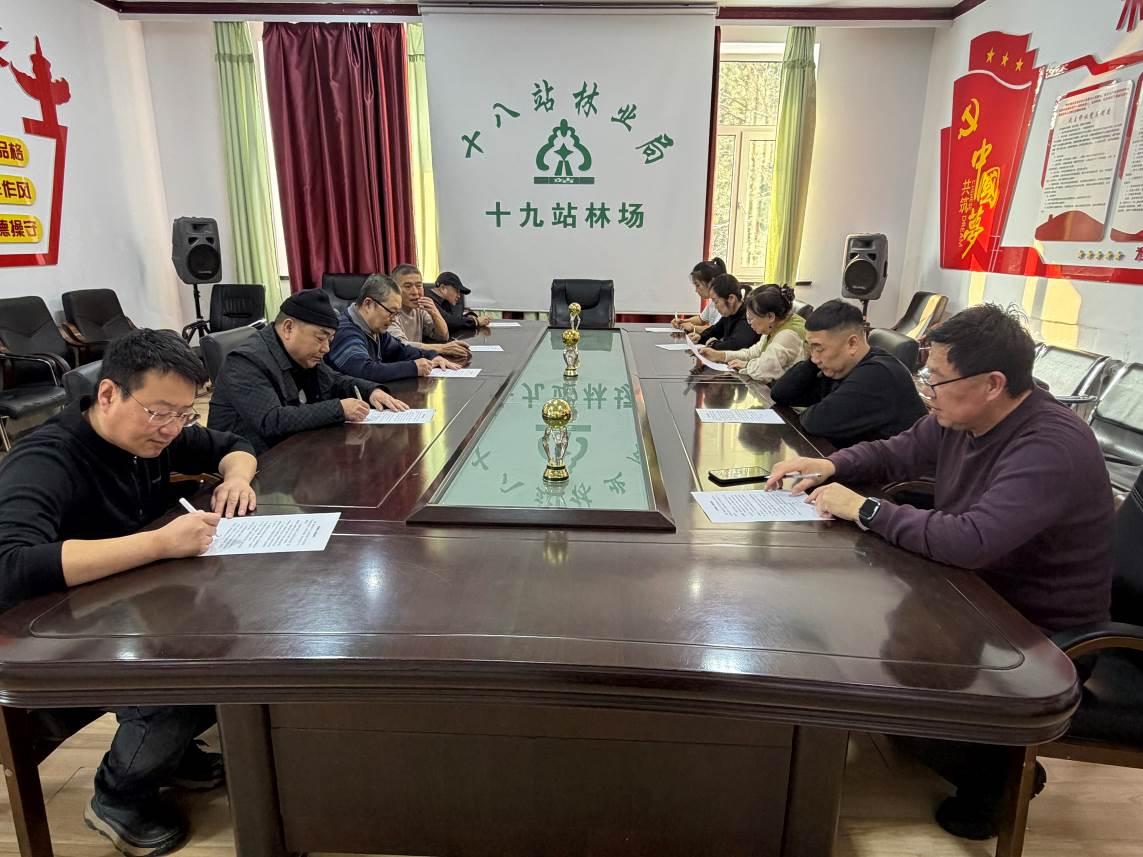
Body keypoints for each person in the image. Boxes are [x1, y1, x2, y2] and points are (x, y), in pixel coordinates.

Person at [765, 304, 1115, 839]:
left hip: (1036, 632)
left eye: (937, 379)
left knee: (871, 666)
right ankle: (967, 748)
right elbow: (898, 452)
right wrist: (830, 466)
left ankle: (1000, 777)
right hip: (973, 593)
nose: (928, 391)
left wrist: (865, 508)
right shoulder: (962, 417)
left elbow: (972, 540)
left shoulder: (1050, 445)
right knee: (855, 637)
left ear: (993, 383)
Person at [0, 329, 258, 856]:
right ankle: (118, 795)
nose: (171, 429)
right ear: (108, 393)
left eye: (183, 415)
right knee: (184, 666)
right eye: (159, 412)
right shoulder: (46, 458)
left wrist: (236, 480)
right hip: (39, 630)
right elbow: (10, 565)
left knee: (234, 632)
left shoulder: (152, 437)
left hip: (114, 600)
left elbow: (235, 446)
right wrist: (157, 544)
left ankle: (168, 754)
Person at [208, 289, 409, 455]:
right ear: (288, 328)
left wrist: (371, 391)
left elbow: (334, 380)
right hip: (252, 465)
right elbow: (272, 420)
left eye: (329, 340)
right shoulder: (246, 362)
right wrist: (339, 409)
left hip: (292, 451)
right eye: (320, 338)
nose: (326, 348)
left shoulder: (301, 355)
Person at [770, 299, 927, 446]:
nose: (815, 357)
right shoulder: (840, 368)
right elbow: (781, 394)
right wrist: (812, 362)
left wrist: (814, 409)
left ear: (852, 343)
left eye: (819, 348)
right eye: (811, 347)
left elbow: (815, 422)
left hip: (897, 467)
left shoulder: (878, 375)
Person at [327, 274, 461, 383]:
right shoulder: (345, 331)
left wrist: (432, 356)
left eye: (397, 313)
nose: (394, 319)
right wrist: (413, 368)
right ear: (368, 304)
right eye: (391, 312)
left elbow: (400, 350)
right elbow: (365, 371)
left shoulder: (375, 329)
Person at [699, 285, 807, 384]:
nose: (749, 323)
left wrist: (746, 365)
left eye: (751, 318)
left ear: (770, 316)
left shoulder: (788, 335)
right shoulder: (775, 324)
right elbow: (753, 353)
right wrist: (720, 355)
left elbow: (764, 371)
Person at [389, 264, 471, 361]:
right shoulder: (389, 312)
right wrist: (441, 348)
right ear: (394, 289)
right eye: (408, 286)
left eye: (419, 286)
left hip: (416, 361)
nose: (415, 292)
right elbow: (400, 346)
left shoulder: (420, 309)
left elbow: (443, 336)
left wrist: (435, 312)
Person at [691, 275, 758, 352]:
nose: (715, 307)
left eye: (716, 301)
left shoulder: (747, 317)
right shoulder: (729, 314)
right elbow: (715, 330)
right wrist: (700, 337)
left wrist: (713, 344)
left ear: (731, 299)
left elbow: (735, 345)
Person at [671, 258, 727, 334]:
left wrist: (693, 328)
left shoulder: (724, 302)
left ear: (712, 282)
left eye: (698, 285)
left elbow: (717, 330)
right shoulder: (712, 301)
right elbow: (701, 319)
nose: (696, 290)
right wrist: (683, 322)